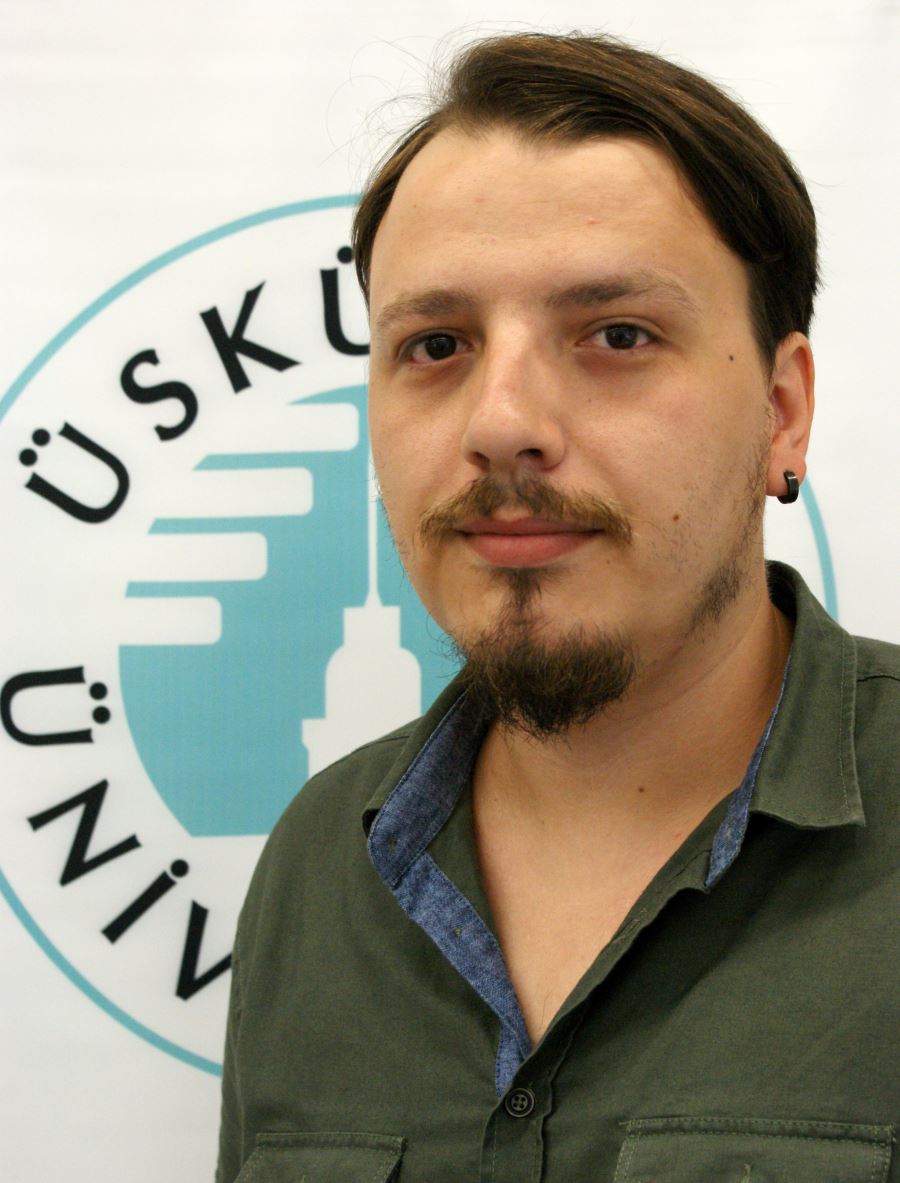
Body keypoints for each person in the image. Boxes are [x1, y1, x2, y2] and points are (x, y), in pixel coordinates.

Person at [216, 32, 898, 1182]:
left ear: (782, 413)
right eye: (436, 344)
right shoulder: (317, 866)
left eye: (617, 335)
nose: (501, 423)